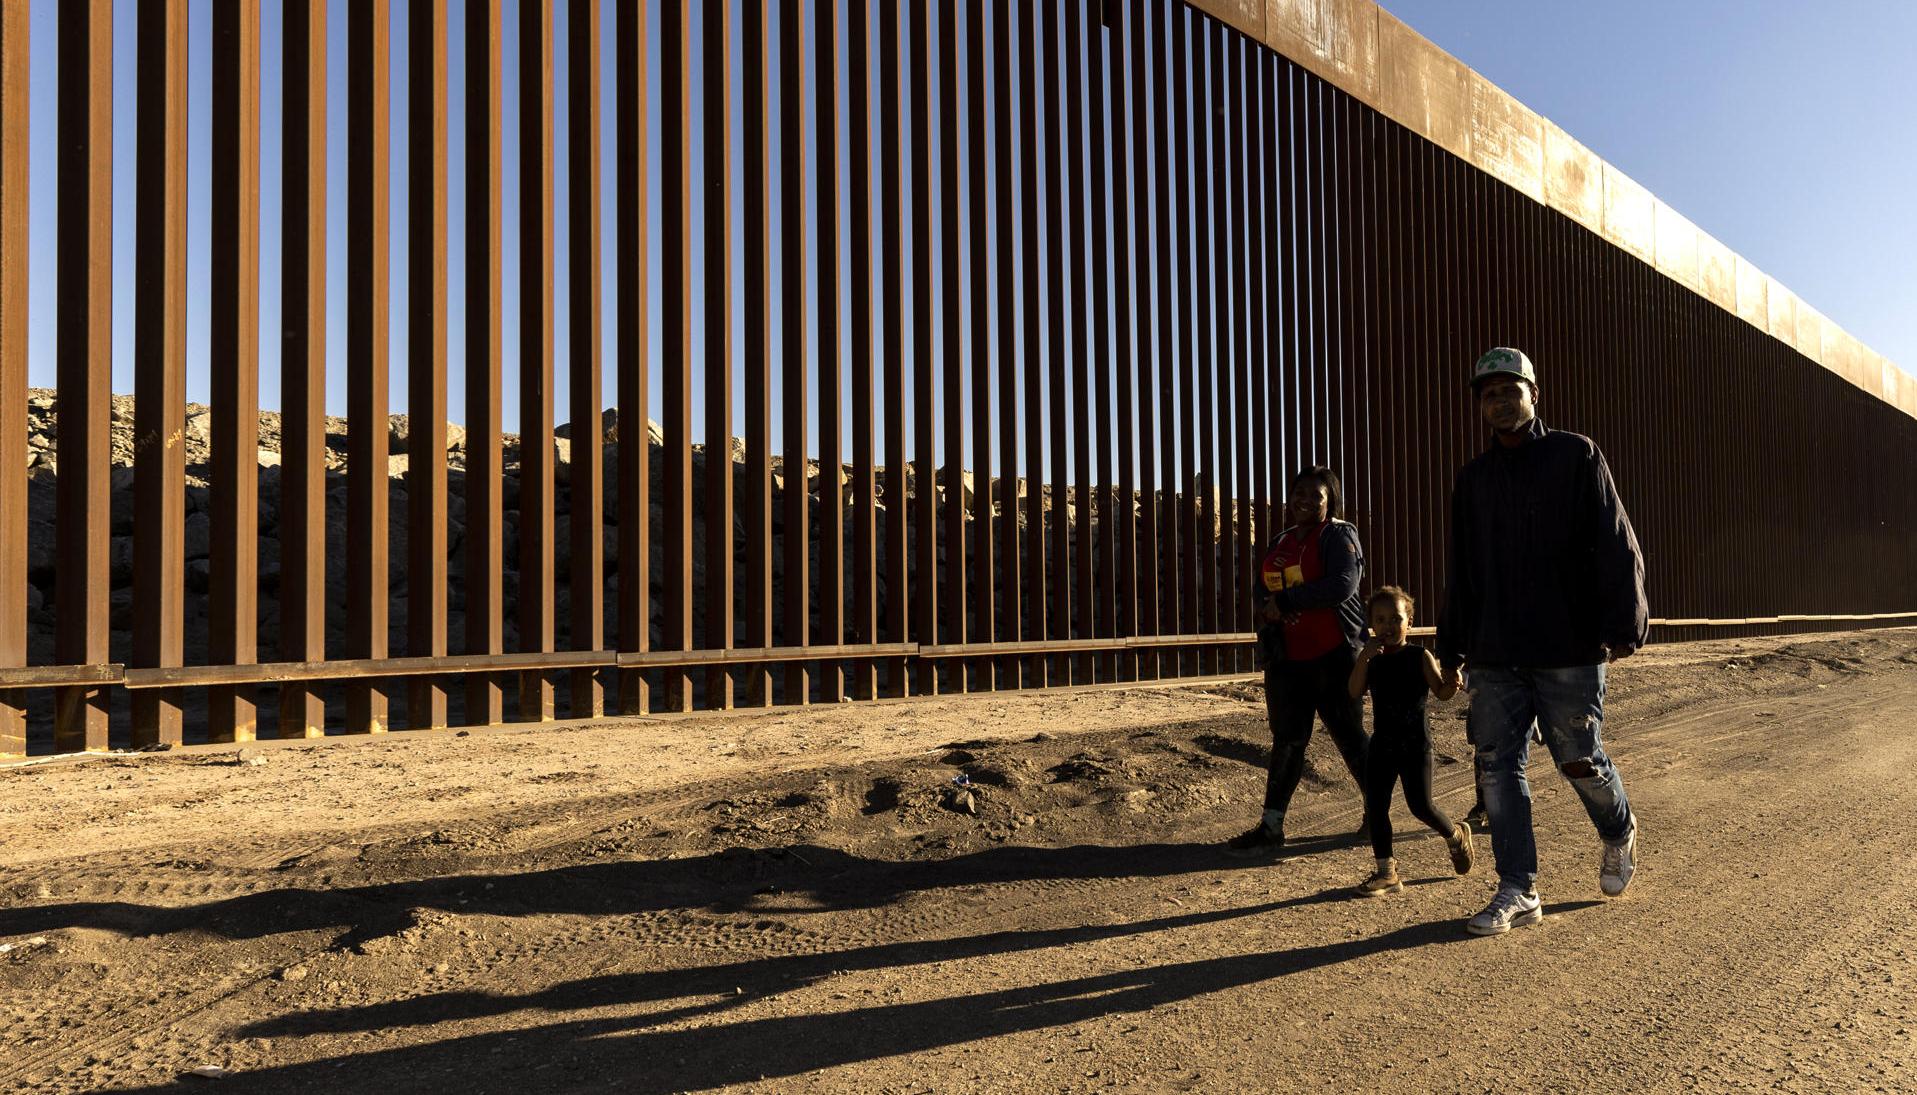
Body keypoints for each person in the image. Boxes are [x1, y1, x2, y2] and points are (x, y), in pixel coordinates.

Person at [1437, 347, 1648, 936]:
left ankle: (1617, 830)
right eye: (1488, 395)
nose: (1501, 402)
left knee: (1578, 759)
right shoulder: (1473, 480)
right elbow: (1464, 569)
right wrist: (1451, 648)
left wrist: (1625, 622)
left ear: (1534, 395)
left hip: (1568, 644)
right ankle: (1518, 888)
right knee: (1499, 769)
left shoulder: (1575, 455)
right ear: (1480, 407)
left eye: (1511, 391)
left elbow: (1615, 539)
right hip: (1495, 649)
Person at [1227, 467, 1370, 856]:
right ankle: (1271, 827)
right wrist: (1268, 608)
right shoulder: (1282, 539)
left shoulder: (1340, 534)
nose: (1305, 500)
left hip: (1335, 656)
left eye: (1316, 494)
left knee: (1349, 736)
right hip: (1287, 659)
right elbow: (1260, 588)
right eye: (1299, 492)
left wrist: (1289, 601)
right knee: (1287, 741)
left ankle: (1379, 814)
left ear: (1331, 501)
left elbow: (1343, 585)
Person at [1348, 587, 1474, 896]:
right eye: (1380, 620)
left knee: (1421, 806)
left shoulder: (1419, 656)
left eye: (1396, 618)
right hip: (1382, 745)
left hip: (1415, 745)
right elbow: (1353, 691)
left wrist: (1453, 684)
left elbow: (1441, 693)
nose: (1388, 626)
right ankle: (1386, 872)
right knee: (1375, 806)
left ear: (1410, 622)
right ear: (1371, 625)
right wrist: (1363, 656)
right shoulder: (1372, 661)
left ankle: (1455, 835)